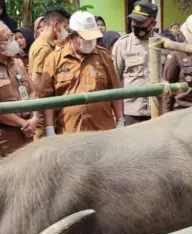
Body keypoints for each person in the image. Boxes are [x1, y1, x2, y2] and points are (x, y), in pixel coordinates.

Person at [38, 11, 124, 135]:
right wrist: (50, 129)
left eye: (93, 38)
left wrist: (120, 120)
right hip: (69, 133)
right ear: (73, 36)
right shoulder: (54, 59)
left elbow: (115, 90)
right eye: (85, 38)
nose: (90, 41)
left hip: (103, 132)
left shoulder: (104, 56)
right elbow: (47, 98)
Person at [112, 1, 160, 126]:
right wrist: (118, 117)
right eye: (133, 21)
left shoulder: (164, 45)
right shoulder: (122, 45)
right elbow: (114, 81)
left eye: (140, 22)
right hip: (132, 113)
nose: (135, 25)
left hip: (159, 111)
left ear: (153, 23)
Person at [29, 6, 71, 140]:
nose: (66, 31)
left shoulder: (47, 45)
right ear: (56, 25)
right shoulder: (43, 49)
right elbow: (37, 84)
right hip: (43, 113)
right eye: (65, 27)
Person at [0, 22, 37, 156]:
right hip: (5, 137)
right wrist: (23, 123)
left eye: (12, 36)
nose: (13, 41)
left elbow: (32, 91)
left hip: (27, 132)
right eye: (8, 38)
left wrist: (34, 118)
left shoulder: (18, 63)